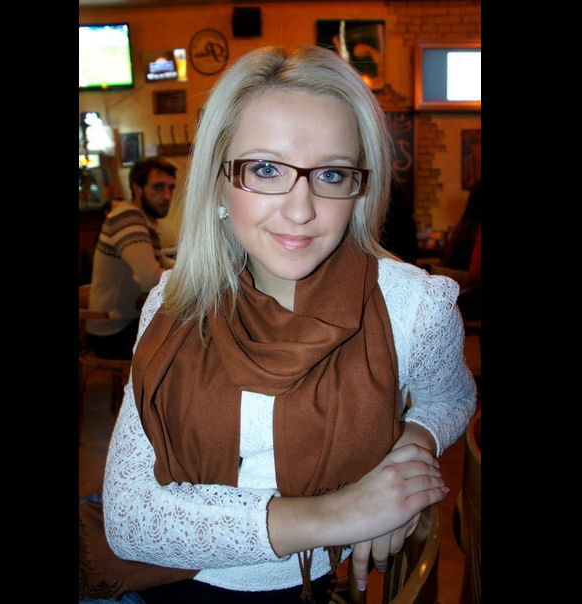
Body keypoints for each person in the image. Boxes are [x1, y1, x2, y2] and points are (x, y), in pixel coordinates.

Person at [79, 46, 476, 603]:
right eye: (266, 169)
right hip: (151, 579)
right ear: (219, 180)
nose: (300, 210)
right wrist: (344, 513)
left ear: (359, 186)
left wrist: (408, 452)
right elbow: (128, 523)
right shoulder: (173, 301)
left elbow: (450, 398)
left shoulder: (414, 307)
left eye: (331, 173)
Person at [85, 157, 177, 360]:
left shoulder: (139, 220)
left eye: (171, 188)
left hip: (124, 323)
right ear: (137, 188)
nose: (167, 196)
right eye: (158, 187)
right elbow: (150, 280)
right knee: (187, 343)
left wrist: (192, 270)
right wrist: (192, 280)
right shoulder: (128, 218)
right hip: (113, 331)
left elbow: (160, 261)